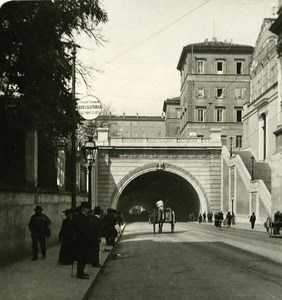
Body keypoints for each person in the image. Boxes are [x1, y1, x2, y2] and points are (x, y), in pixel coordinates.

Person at [73, 202, 92, 279]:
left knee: (83, 257)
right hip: (81, 241)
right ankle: (80, 274)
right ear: (83, 209)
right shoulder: (81, 217)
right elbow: (80, 230)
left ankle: (82, 272)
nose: (88, 210)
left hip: (84, 240)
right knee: (81, 258)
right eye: (87, 208)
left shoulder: (83, 217)